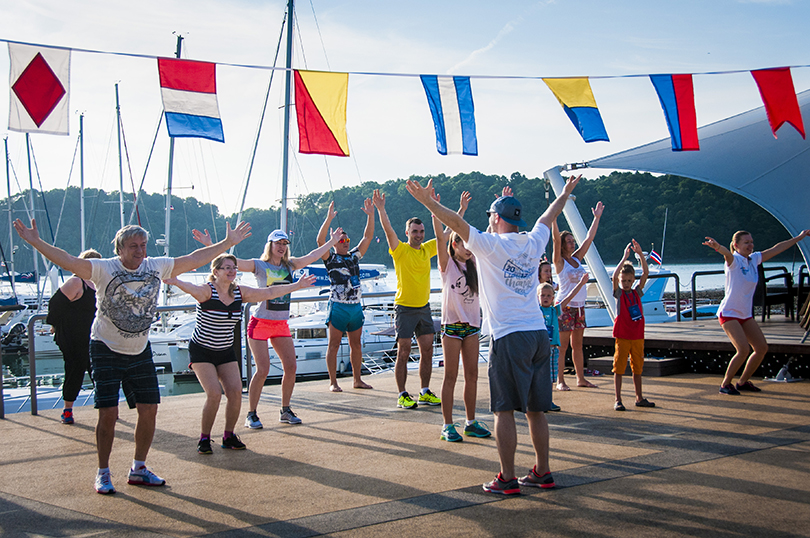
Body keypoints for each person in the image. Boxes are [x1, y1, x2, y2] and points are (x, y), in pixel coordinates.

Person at [14, 219, 251, 495]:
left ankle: (139, 468)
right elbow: (67, 261)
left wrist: (227, 243)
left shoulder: (155, 266)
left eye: (143, 245)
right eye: (132, 246)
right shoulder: (104, 268)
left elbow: (194, 258)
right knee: (108, 413)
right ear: (120, 249)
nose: (140, 251)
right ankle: (103, 472)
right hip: (105, 347)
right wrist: (35, 242)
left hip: (140, 349)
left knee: (149, 408)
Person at [405, 174, 582, 495]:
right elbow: (548, 216)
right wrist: (565, 193)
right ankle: (542, 471)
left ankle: (507, 477)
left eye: (490, 216)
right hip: (538, 334)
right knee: (536, 409)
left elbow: (456, 222)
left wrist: (428, 203)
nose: (488, 221)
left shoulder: (488, 245)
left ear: (497, 219)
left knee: (503, 410)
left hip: (508, 336)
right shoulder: (533, 240)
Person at [163, 254, 316, 454]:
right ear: (215, 272)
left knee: (235, 393)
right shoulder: (205, 292)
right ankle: (205, 438)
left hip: (225, 350)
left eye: (233, 267)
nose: (231, 270)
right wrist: (174, 280)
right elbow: (186, 286)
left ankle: (229, 435)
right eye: (226, 267)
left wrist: (296, 286)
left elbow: (269, 291)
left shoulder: (239, 293)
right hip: (202, 351)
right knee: (214, 394)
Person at [194, 225, 343, 428]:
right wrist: (211, 245)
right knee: (262, 369)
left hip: (281, 323)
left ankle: (285, 410)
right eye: (277, 243)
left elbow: (313, 255)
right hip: (260, 323)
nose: (281, 247)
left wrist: (332, 242)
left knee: (291, 367)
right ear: (270, 245)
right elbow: (231, 263)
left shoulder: (290, 266)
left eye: (284, 244)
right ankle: (252, 414)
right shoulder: (259, 265)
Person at [703, 229, 809, 394]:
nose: (750, 245)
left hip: (745, 314)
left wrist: (799, 238)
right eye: (746, 243)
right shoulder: (734, 260)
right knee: (743, 349)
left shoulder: (753, 260)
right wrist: (717, 247)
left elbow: (776, 248)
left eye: (751, 242)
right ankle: (725, 384)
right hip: (729, 313)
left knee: (761, 348)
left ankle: (743, 382)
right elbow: (726, 254)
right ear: (736, 245)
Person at [372, 189, 441, 409]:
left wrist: (448, 210)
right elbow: (388, 229)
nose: (419, 235)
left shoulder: (427, 249)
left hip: (424, 308)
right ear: (408, 232)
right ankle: (402, 394)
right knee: (403, 350)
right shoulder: (400, 250)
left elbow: (446, 234)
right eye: (415, 231)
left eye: (421, 231)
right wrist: (381, 209)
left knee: (427, 349)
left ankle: (424, 391)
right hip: (404, 308)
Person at [434, 191, 491, 442]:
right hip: (452, 327)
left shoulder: (475, 265)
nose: (469, 249)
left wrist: (493, 216)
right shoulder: (448, 265)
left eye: (470, 246)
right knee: (450, 376)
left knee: (472, 376)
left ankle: (470, 421)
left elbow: (488, 238)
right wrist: (438, 207)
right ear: (454, 245)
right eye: (463, 244)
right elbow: (440, 234)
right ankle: (447, 425)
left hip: (472, 327)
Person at [316, 199, 375, 392]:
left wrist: (371, 215)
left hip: (355, 306)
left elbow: (367, 238)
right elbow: (320, 241)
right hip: (338, 306)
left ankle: (357, 379)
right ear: (335, 243)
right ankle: (333, 382)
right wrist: (328, 219)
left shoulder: (353, 256)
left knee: (356, 344)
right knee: (333, 345)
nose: (345, 243)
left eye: (347, 240)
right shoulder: (330, 258)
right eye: (342, 241)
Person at [47, 248, 102, 424]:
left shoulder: (99, 283)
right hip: (72, 336)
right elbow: (55, 304)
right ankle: (67, 410)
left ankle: (106, 408)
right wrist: (54, 325)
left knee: (99, 372)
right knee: (75, 370)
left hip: (93, 335)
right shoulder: (77, 282)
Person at [552, 201, 604, 390]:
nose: (572, 243)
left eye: (573, 241)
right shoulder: (559, 262)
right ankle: (560, 381)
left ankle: (581, 378)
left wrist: (596, 218)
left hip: (580, 306)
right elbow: (556, 240)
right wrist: (554, 220)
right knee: (562, 346)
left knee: (578, 345)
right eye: (569, 241)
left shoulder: (576, 259)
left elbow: (589, 239)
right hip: (565, 307)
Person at [611, 240, 654, 411]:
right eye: (624, 280)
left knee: (638, 367)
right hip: (623, 335)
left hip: (637, 335)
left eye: (629, 280)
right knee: (619, 367)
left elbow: (645, 273)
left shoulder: (637, 292)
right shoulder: (619, 294)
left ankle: (639, 397)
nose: (626, 283)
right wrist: (624, 258)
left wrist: (641, 255)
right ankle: (618, 399)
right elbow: (614, 277)